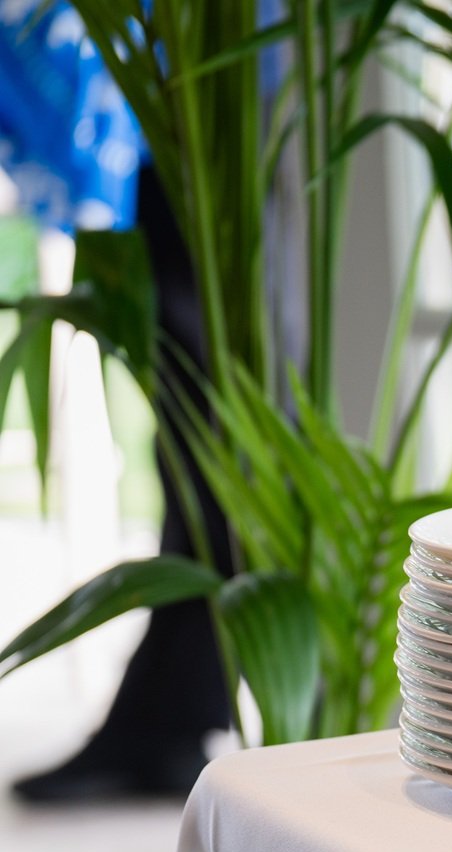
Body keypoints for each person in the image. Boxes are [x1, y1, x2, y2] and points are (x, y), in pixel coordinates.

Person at [2, 6, 232, 801]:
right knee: (185, 393)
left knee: (208, 388)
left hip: (192, 73)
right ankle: (168, 713)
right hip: (157, 71)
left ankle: (177, 712)